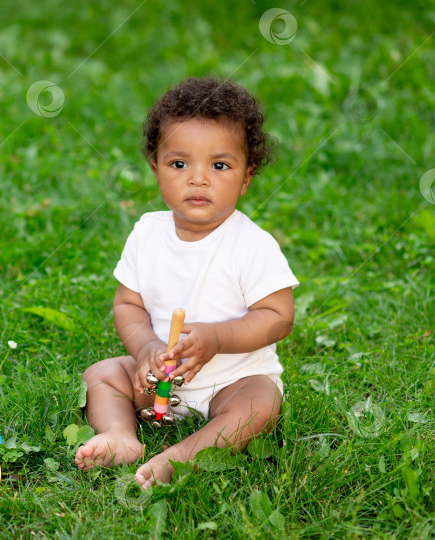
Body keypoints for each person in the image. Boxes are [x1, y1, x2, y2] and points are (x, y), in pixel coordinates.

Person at [75, 77, 299, 489]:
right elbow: (128, 305)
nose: (198, 179)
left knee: (260, 405)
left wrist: (217, 338)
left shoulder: (251, 245)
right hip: (159, 379)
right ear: (156, 168)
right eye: (179, 164)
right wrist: (144, 348)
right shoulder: (146, 234)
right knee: (103, 374)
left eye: (219, 165)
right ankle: (120, 436)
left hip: (231, 383)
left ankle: (182, 455)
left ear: (246, 177)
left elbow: (279, 317)